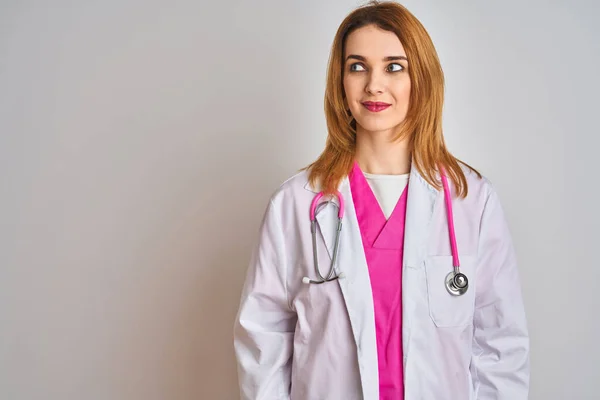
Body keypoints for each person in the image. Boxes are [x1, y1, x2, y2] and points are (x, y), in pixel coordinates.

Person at [233, 1, 530, 399]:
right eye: (357, 66)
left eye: (394, 66)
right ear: (340, 81)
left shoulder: (470, 201)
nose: (374, 84)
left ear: (420, 78)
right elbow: (263, 341)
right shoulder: (294, 205)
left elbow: (501, 347)